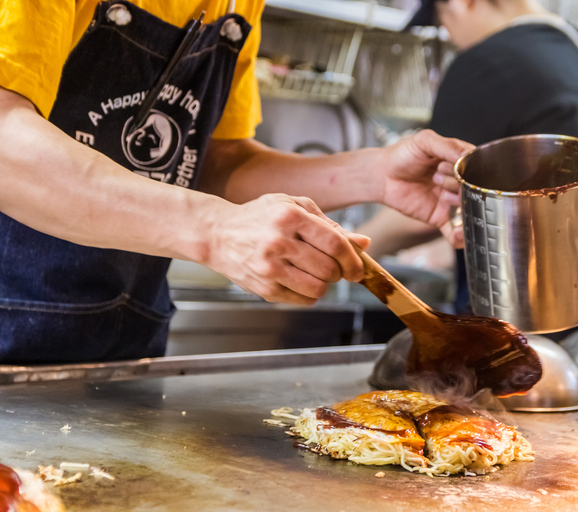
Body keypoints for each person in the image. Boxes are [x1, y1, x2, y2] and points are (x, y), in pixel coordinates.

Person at [0, 1, 472, 364]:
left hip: (122, 349)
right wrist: (215, 231)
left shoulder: (238, 5)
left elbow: (216, 161)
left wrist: (374, 175)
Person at [359, 0, 578, 321]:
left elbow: (431, 195)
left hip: (537, 315)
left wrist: (356, 250)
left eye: (442, 21)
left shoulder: (489, 61)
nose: (450, 37)